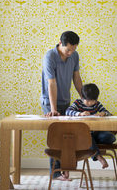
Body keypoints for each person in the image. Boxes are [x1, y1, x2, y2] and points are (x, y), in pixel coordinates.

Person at [41, 30, 83, 181]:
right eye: (68, 50)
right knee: (56, 137)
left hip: (66, 100)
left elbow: (76, 78)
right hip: (50, 101)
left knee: (67, 137)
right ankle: (56, 172)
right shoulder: (50, 56)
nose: (71, 53)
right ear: (60, 43)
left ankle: (65, 168)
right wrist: (53, 109)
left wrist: (83, 98)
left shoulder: (74, 56)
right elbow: (51, 83)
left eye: (74, 49)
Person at [66, 83, 116, 169]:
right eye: (88, 101)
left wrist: (103, 113)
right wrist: (80, 114)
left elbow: (108, 112)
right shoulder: (78, 103)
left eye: (93, 100)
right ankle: (99, 157)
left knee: (111, 137)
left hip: (95, 133)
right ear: (82, 97)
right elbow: (68, 111)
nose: (90, 103)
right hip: (83, 134)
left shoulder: (97, 104)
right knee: (87, 137)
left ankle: (91, 144)